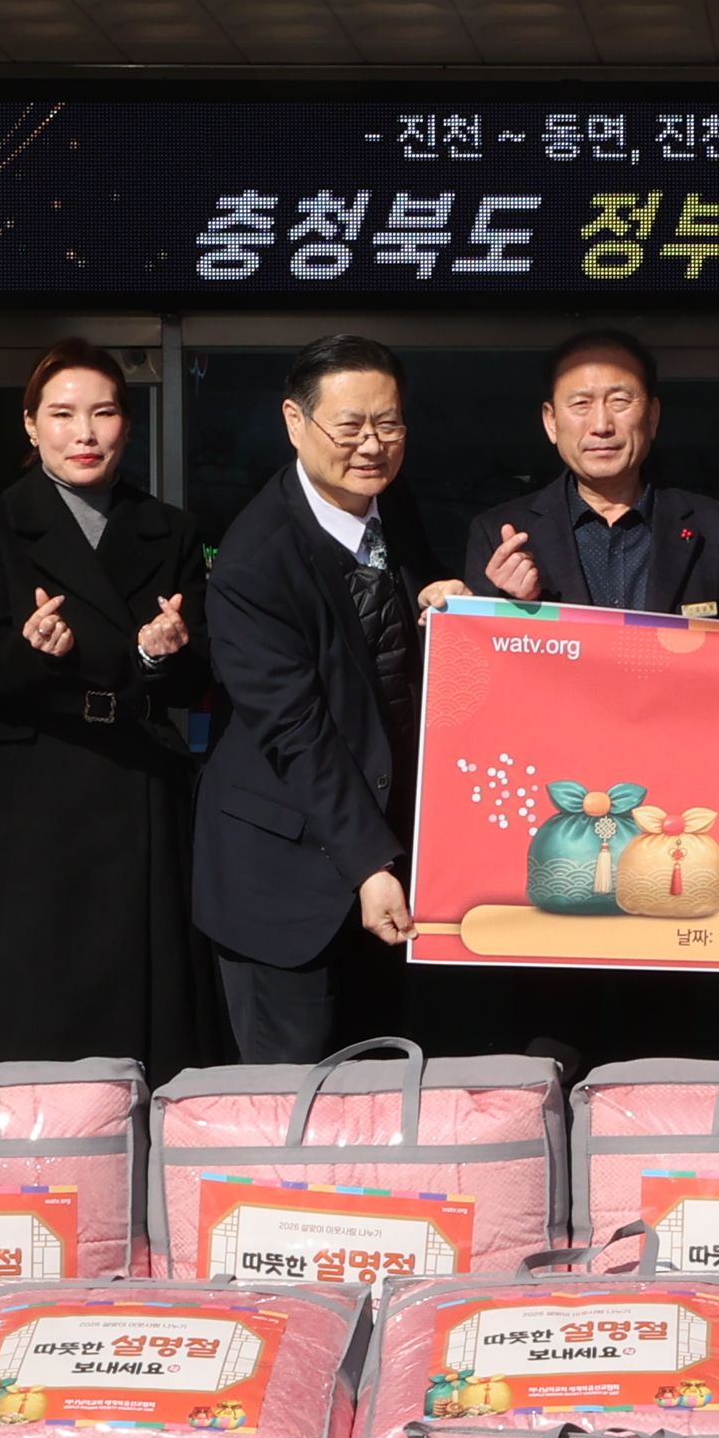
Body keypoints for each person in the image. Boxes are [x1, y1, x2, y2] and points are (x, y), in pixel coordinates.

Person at [0, 339, 214, 1072]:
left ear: (128, 423)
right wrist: (32, 652)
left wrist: (158, 655)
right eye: (62, 414)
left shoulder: (171, 528)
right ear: (30, 425)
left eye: (103, 412)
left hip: (138, 783)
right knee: (29, 1018)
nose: (84, 433)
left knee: (139, 1022)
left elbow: (201, 677)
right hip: (26, 798)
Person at [198, 332, 445, 1063]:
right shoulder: (255, 560)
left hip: (388, 864)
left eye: (389, 424)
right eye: (350, 426)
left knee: (384, 1090)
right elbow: (296, 731)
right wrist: (369, 865)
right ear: (294, 422)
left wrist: (450, 604)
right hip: (286, 881)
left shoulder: (393, 506)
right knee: (293, 1100)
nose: (372, 445)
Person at [463, 328, 719, 621]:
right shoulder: (498, 534)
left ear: (652, 416)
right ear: (551, 421)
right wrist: (510, 604)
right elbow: (477, 648)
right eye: (581, 404)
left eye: (620, 401)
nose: (601, 425)